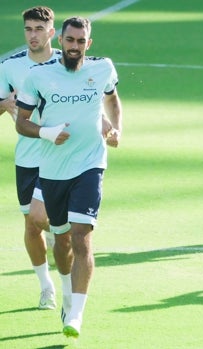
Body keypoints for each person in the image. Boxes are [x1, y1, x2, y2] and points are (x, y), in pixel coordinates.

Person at [15, 16, 122, 338]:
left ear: (88, 44)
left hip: (90, 164)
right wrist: (46, 132)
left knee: (81, 235)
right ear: (60, 40)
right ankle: (65, 290)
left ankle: (76, 314)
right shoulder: (39, 76)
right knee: (61, 239)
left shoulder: (102, 68)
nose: (75, 46)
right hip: (51, 169)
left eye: (81, 41)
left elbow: (112, 98)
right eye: (70, 40)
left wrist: (116, 128)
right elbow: (22, 122)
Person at [0, 6, 60, 311]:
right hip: (26, 156)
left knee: (39, 217)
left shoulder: (66, 61)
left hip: (61, 155)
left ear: (51, 32)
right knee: (32, 225)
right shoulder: (9, 67)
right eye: (28, 29)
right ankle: (45, 286)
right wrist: (5, 103)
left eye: (39, 29)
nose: (32, 35)